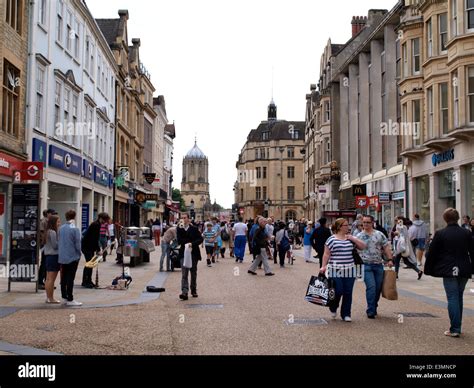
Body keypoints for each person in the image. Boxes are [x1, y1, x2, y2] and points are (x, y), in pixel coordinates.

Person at [425, 208, 474, 338]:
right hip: (464, 268)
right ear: (457, 218)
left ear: (445, 219)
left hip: (448, 268)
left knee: (452, 297)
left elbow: (432, 253)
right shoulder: (466, 233)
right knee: (459, 296)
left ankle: (455, 328)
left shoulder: (441, 234)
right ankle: (458, 326)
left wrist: (428, 268)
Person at [320, 218, 366, 322]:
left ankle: (346, 314)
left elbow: (363, 247)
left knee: (348, 292)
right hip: (334, 269)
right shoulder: (331, 239)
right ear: (340, 227)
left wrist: (353, 239)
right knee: (338, 290)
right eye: (346, 225)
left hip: (349, 269)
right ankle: (333, 307)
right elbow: (326, 254)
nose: (348, 227)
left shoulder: (350, 238)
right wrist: (323, 266)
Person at [356, 215, 394, 319]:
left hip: (378, 265)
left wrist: (390, 259)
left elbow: (386, 247)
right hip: (365, 265)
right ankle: (371, 310)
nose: (365, 224)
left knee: (377, 288)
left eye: (368, 222)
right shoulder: (358, 236)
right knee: (371, 287)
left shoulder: (379, 234)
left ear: (372, 223)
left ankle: (374, 305)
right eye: (364, 222)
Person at [58, 210, 82, 306]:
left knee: (63, 277)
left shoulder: (61, 228)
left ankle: (64, 296)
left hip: (63, 256)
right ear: (74, 217)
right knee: (70, 278)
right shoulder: (75, 229)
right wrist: (79, 253)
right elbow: (77, 244)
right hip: (72, 256)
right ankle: (70, 298)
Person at [177, 213, 203, 300]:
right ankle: (184, 291)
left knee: (193, 272)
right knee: (184, 273)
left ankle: (193, 290)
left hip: (193, 253)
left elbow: (200, 239)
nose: (183, 219)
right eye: (182, 218)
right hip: (183, 253)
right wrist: (187, 242)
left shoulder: (194, 229)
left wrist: (192, 243)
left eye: (185, 218)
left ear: (188, 219)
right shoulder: (179, 229)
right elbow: (179, 240)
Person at [82, 213, 109, 288]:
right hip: (87, 247)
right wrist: (98, 249)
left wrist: (97, 248)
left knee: (90, 264)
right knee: (90, 264)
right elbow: (94, 238)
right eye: (104, 220)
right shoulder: (96, 225)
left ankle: (87, 280)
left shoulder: (97, 224)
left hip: (88, 246)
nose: (105, 222)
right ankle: (86, 281)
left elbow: (95, 238)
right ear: (100, 218)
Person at [44, 214, 61, 303]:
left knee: (48, 279)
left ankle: (48, 297)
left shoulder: (48, 231)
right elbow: (55, 246)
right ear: (54, 222)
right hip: (54, 256)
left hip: (48, 256)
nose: (59, 223)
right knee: (51, 279)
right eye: (58, 222)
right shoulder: (53, 232)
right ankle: (51, 298)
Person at [38, 209, 56, 290]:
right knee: (44, 264)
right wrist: (44, 242)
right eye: (52, 213)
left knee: (47, 264)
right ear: (48, 214)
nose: (53, 215)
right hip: (45, 245)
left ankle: (47, 281)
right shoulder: (44, 221)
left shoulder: (49, 221)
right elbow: (41, 232)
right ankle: (40, 282)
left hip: (48, 245)